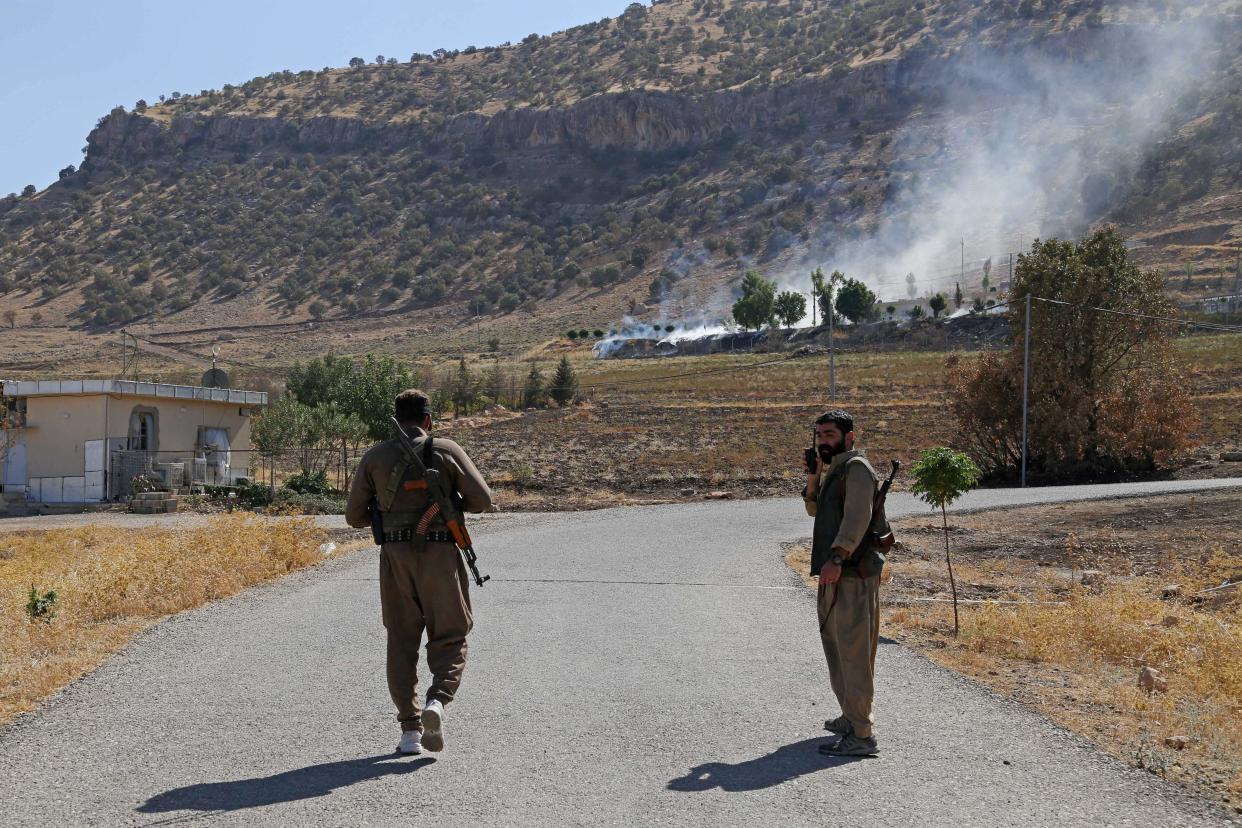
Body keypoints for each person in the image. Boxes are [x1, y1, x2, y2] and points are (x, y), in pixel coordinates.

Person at [346, 389, 493, 756]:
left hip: (395, 558)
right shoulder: (446, 450)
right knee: (452, 635)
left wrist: (388, 512)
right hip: (441, 555)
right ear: (428, 420)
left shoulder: (375, 457)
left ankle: (410, 731)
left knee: (401, 641)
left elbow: (354, 517)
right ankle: (437, 703)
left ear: (397, 417)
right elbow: (482, 500)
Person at [802, 409, 887, 757]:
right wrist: (813, 476)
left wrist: (837, 557)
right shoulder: (834, 470)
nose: (823, 440)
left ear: (850, 437)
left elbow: (857, 518)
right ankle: (850, 716)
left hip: (851, 573)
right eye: (819, 434)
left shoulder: (856, 470)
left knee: (853, 654)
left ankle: (862, 734)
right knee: (836, 648)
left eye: (830, 434)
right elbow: (813, 510)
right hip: (834, 573)